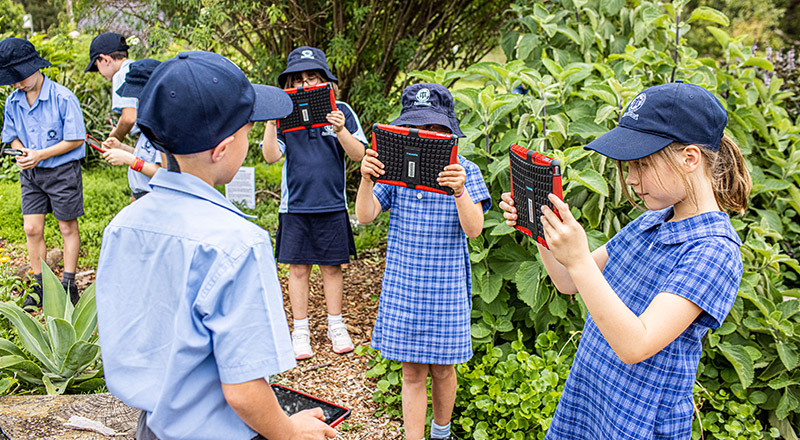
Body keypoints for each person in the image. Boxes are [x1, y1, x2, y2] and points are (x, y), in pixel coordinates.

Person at [95, 51, 337, 440]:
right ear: (223, 149)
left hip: (150, 426)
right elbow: (243, 390)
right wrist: (291, 432)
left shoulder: (122, 227)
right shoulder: (238, 243)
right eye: (247, 128)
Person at [499, 82, 752, 438]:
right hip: (591, 400)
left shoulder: (713, 251)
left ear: (690, 158)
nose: (631, 180)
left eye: (642, 165)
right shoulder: (652, 220)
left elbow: (636, 344)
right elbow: (569, 281)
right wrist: (541, 226)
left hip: (639, 421)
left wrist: (579, 259)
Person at [355, 83, 491, 440]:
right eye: (417, 128)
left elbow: (474, 229)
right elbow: (365, 216)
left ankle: (441, 432)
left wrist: (460, 191)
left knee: (444, 370)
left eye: (434, 129)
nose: (426, 135)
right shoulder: (397, 170)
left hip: (445, 288)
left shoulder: (464, 170)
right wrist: (367, 179)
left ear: (449, 131)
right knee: (412, 372)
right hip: (404, 285)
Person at [261, 46, 367, 360]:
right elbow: (270, 156)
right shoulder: (282, 116)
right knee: (298, 269)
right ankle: (300, 330)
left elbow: (358, 155)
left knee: (333, 268)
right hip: (295, 206)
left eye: (312, 77)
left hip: (332, 204)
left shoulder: (342, 110)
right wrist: (269, 121)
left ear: (326, 81)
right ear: (288, 85)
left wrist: (340, 129)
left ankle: (337, 326)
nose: (305, 84)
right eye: (298, 79)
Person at [0, 37, 86, 308]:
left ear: (35, 67)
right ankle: (39, 284)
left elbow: (76, 139)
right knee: (31, 228)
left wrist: (40, 154)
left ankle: (68, 284)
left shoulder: (63, 98)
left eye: (19, 77)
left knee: (67, 227)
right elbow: (11, 135)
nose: (16, 83)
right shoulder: (13, 101)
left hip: (62, 171)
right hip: (31, 175)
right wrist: (22, 151)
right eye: (11, 79)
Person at [99, 58, 166, 200]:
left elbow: (165, 173)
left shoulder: (164, 126)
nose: (137, 103)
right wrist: (121, 147)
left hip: (156, 197)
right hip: (141, 195)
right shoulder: (148, 123)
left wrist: (129, 160)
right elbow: (147, 156)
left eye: (139, 96)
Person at [84, 32, 137, 142]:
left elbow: (129, 118)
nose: (99, 73)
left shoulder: (122, 74)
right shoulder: (139, 69)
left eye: (97, 66)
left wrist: (115, 137)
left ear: (105, 59)